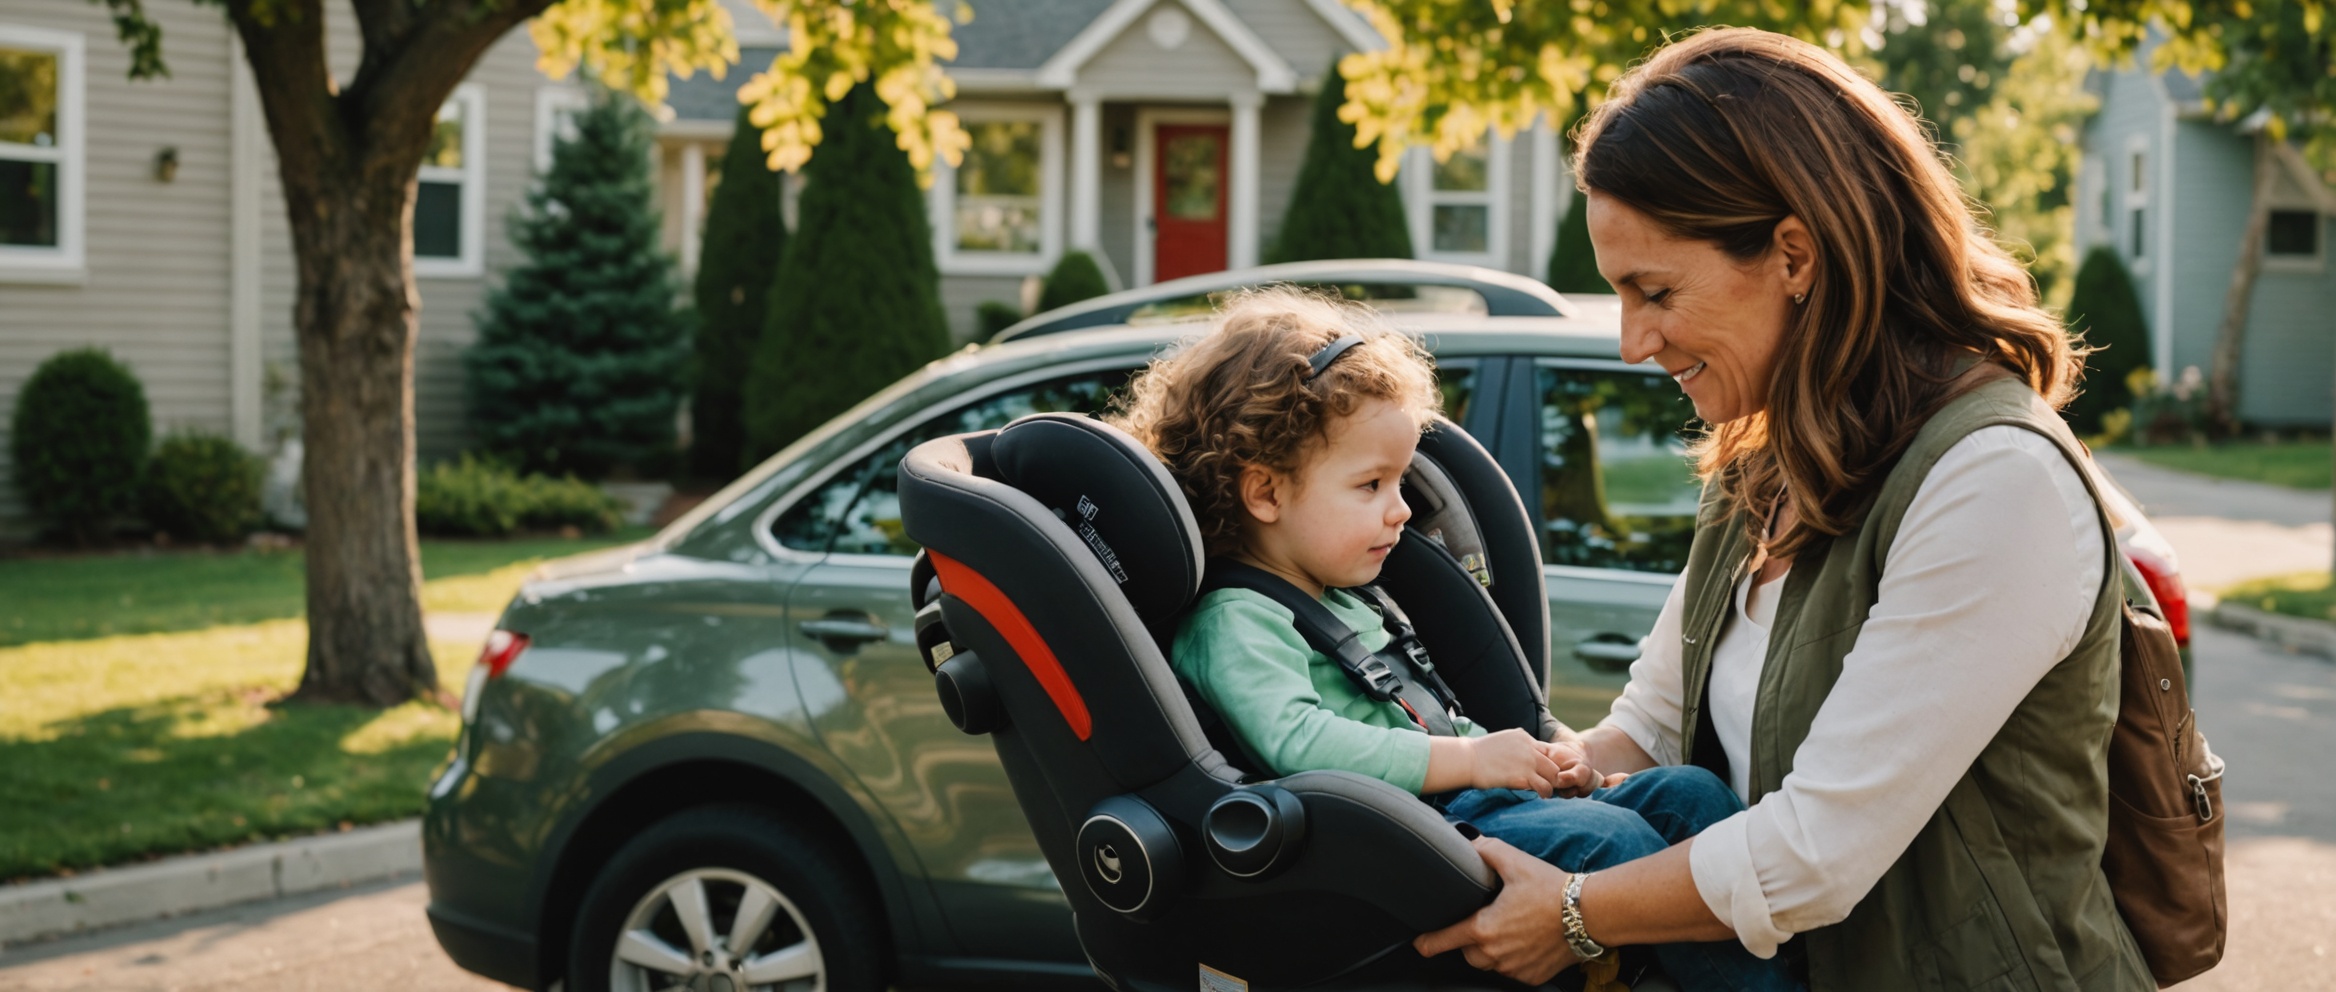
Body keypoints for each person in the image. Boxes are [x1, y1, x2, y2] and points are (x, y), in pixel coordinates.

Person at [1413, 27, 2156, 991]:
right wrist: (1450, 781)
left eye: (1656, 291)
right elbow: (1646, 732)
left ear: (1794, 255)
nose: (1635, 341)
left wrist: (1572, 913)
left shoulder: (1993, 480)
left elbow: (1813, 851)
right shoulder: (1762, 467)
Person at [1110, 287, 1798, 990]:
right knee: (1614, 844)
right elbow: (1300, 744)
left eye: (1400, 481)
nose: (1401, 510)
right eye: (1370, 485)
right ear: (1265, 493)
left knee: (1690, 796)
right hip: (1408, 849)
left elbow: (1420, 712)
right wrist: (1470, 759)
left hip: (1473, 811)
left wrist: (1539, 768)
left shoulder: (1348, 599)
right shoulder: (1234, 621)